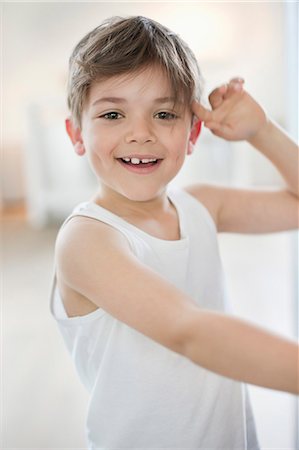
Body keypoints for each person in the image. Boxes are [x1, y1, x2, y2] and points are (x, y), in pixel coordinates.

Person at [50, 15, 298, 449]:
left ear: (193, 132)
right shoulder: (87, 239)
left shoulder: (202, 206)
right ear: (77, 134)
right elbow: (189, 329)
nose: (140, 133)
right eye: (112, 114)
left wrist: (262, 133)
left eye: (164, 114)